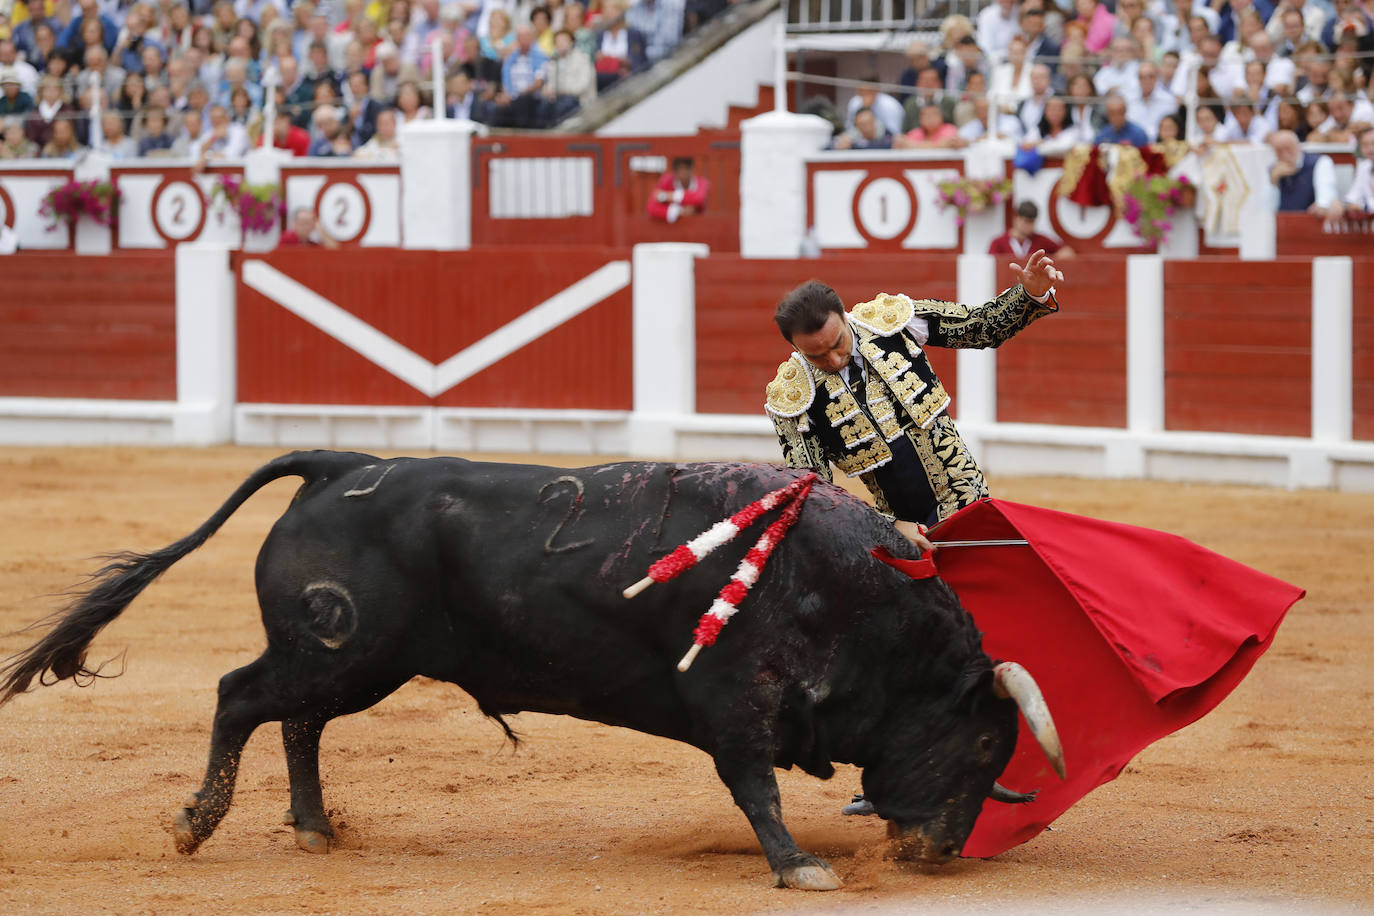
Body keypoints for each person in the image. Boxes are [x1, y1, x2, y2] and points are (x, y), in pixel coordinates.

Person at [765, 250, 1064, 535]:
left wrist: (1029, 295)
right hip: (895, 528)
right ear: (795, 346)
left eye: (837, 343)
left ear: (845, 316)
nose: (833, 360)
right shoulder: (792, 397)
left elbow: (978, 325)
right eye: (816, 356)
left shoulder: (890, 322)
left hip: (965, 499)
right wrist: (888, 526)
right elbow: (814, 495)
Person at [1268, 129, 1341, 221]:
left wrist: (1322, 205)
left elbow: (1325, 198)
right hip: (1282, 225)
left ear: (1298, 147)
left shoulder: (1319, 162)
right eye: (1279, 151)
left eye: (1288, 148)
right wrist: (1273, 182)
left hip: (1310, 223)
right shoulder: (1272, 169)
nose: (1285, 155)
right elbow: (1266, 210)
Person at [989, 200, 1076, 260]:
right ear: (1016, 218)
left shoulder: (1041, 241)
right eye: (1025, 221)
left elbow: (1067, 252)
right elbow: (989, 264)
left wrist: (1050, 260)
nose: (1028, 226)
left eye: (1032, 222)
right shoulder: (998, 243)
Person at [647, 155, 708, 222]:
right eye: (680, 169)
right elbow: (651, 208)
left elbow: (698, 198)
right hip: (671, 227)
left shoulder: (701, 183)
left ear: (692, 169)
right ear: (675, 171)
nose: (684, 172)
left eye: (687, 168)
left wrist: (668, 196)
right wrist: (680, 211)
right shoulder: (667, 181)